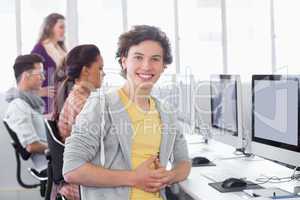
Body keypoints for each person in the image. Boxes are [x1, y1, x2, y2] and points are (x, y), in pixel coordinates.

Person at [63, 25, 191, 200]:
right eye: (138, 57)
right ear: (124, 61)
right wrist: (134, 178)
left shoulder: (166, 113)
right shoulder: (100, 105)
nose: (146, 66)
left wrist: (170, 176)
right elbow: (71, 169)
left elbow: (184, 163)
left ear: (163, 66)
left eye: (155, 59)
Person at [4, 54, 48, 172]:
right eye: (40, 74)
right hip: (51, 166)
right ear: (25, 75)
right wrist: (60, 149)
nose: (43, 78)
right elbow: (32, 146)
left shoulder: (28, 105)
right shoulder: (18, 106)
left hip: (57, 163)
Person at [57, 44, 105, 142]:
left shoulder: (79, 96)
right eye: (100, 68)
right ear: (85, 71)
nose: (104, 73)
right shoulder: (82, 104)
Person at [31, 13, 67, 114]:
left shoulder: (61, 49)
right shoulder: (39, 49)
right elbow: (29, 76)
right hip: (47, 104)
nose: (64, 31)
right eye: (61, 27)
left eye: (64, 28)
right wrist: (39, 92)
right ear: (50, 28)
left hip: (61, 101)